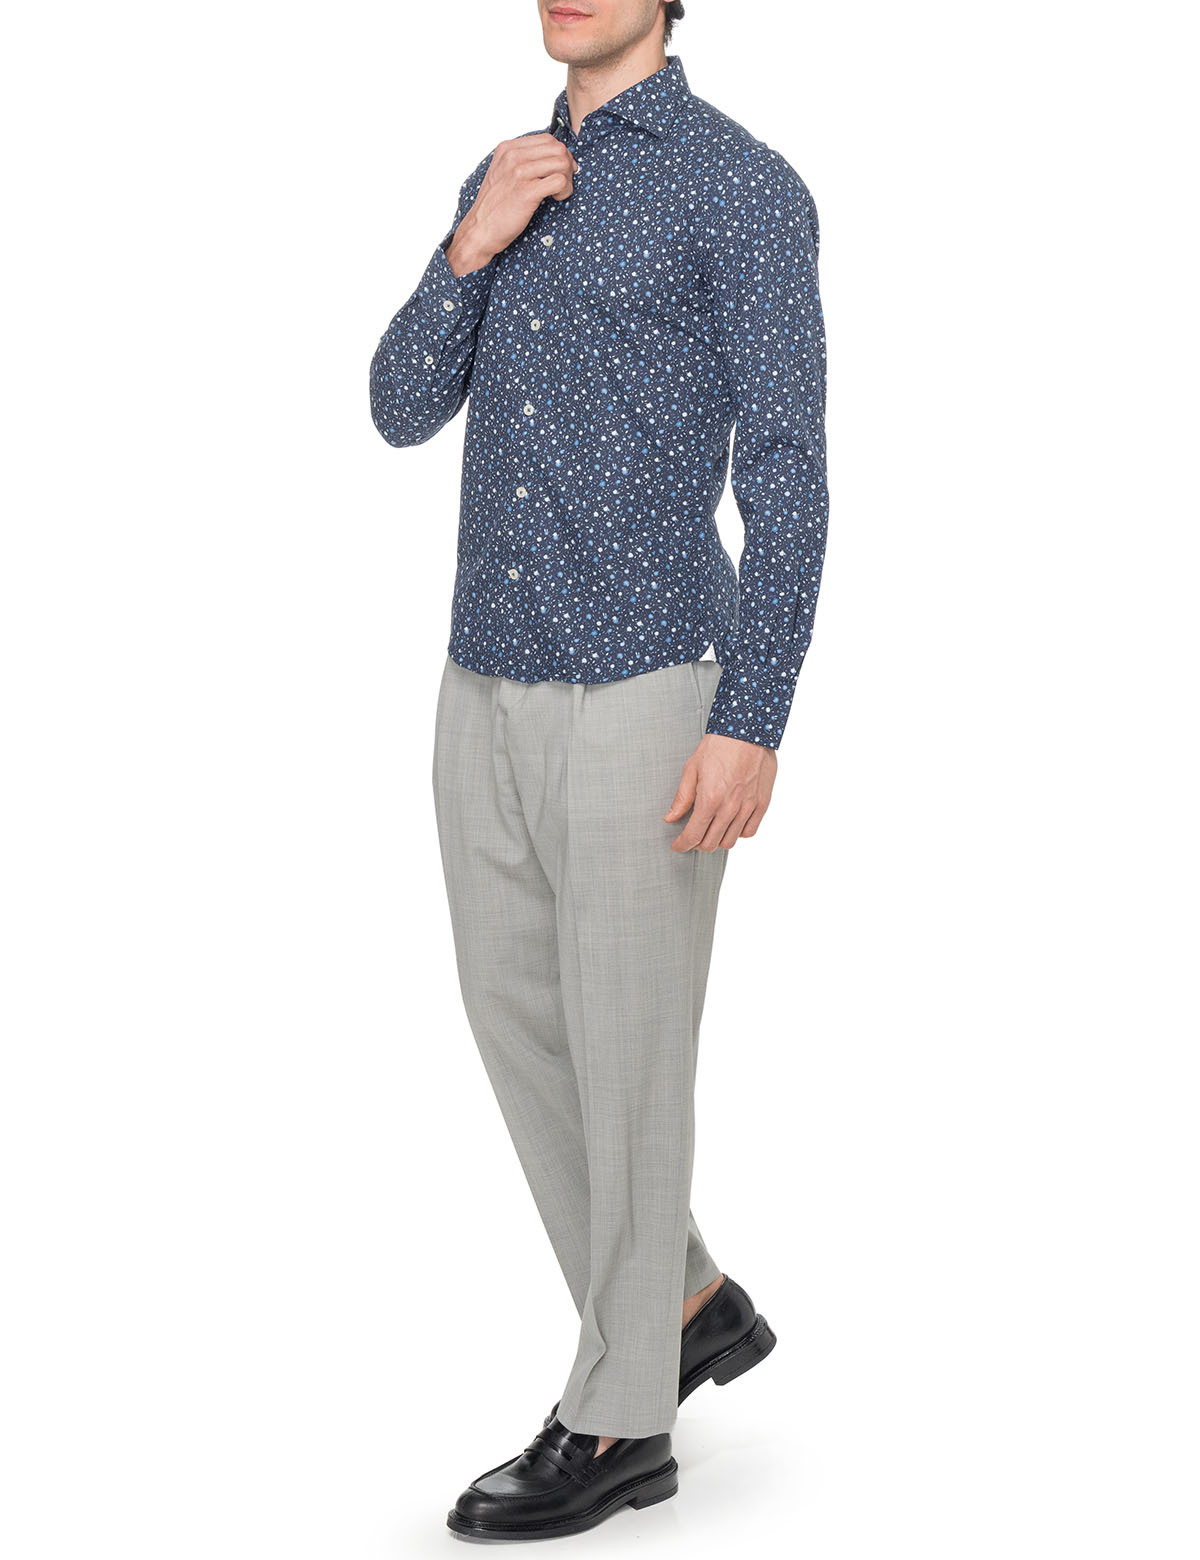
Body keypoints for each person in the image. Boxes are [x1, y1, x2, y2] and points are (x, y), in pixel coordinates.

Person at [369, 0, 828, 1541]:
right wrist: (469, 246)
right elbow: (398, 408)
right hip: (481, 673)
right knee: (518, 1024)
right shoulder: (502, 170)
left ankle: (624, 1418)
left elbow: (789, 469)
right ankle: (686, 1299)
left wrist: (753, 713)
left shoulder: (741, 186)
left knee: (630, 1058)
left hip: (646, 684)